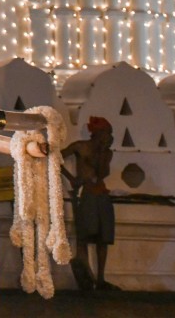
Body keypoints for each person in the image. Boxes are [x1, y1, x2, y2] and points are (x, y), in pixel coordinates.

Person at [62, 116, 117, 291]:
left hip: (101, 194)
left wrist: (101, 152)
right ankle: (87, 274)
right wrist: (71, 179)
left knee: (103, 238)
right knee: (84, 236)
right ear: (97, 133)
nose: (108, 136)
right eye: (106, 133)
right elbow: (57, 157)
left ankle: (101, 279)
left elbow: (102, 173)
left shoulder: (106, 152)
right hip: (86, 194)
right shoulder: (80, 146)